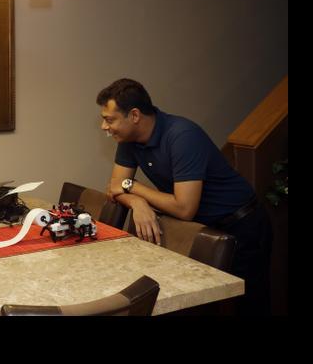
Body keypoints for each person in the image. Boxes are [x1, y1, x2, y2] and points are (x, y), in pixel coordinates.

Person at [97, 77, 272, 316]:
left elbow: (184, 208)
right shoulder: (129, 139)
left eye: (109, 119)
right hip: (201, 229)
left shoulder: (182, 135)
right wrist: (137, 201)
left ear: (134, 116)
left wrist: (133, 187)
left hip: (242, 226)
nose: (104, 127)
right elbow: (115, 187)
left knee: (247, 306)